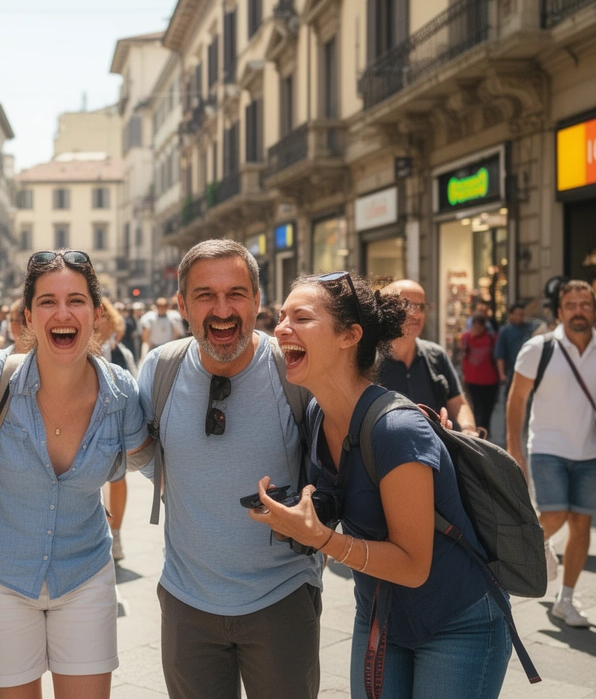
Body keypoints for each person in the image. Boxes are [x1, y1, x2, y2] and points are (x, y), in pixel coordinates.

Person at [257, 272, 511, 699]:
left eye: (300, 317)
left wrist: (321, 539)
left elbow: (413, 565)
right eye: (282, 317)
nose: (281, 328)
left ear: (350, 336)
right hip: (380, 613)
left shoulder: (396, 429)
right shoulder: (317, 413)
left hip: (458, 623)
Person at [0, 250, 144, 698]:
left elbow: (156, 459)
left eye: (76, 300)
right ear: (28, 317)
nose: (62, 313)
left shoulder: (122, 394)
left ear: (97, 314)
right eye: (47, 302)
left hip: (85, 575)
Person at [137, 240, 322, 699]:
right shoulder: (159, 369)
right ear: (182, 305)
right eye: (205, 296)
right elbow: (153, 462)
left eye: (236, 294)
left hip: (282, 598)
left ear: (257, 301)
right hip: (187, 602)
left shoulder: (294, 370)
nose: (223, 310)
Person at [506, 280, 596, 627]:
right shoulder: (538, 348)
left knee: (581, 523)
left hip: (591, 451)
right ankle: (529, 547)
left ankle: (565, 600)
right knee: (555, 514)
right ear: (560, 311)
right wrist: (514, 447)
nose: (579, 311)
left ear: (595, 310)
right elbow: (517, 398)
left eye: (585, 305)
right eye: (571, 305)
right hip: (547, 446)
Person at [378, 280, 477, 433]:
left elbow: (458, 402)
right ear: (386, 310)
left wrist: (468, 430)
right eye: (406, 305)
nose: (416, 314)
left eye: (421, 307)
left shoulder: (437, 354)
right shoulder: (368, 361)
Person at [97, 299, 136, 563]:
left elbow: (134, 386)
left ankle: (116, 534)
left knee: (117, 478)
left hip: (116, 424)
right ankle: (100, 535)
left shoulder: (122, 353)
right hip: (86, 423)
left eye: (105, 317)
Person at [460, 314, 500, 434]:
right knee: (476, 407)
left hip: (490, 380)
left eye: (479, 326)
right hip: (472, 379)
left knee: (487, 408)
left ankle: (485, 430)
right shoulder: (466, 338)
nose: (476, 329)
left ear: (484, 327)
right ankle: (477, 431)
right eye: (475, 326)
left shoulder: (492, 338)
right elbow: (463, 355)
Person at [494, 301, 535, 393]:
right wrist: (502, 375)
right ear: (511, 315)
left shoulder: (529, 328)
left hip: (528, 370)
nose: (519, 317)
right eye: (516, 314)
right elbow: (500, 355)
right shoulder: (505, 331)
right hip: (511, 371)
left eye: (521, 314)